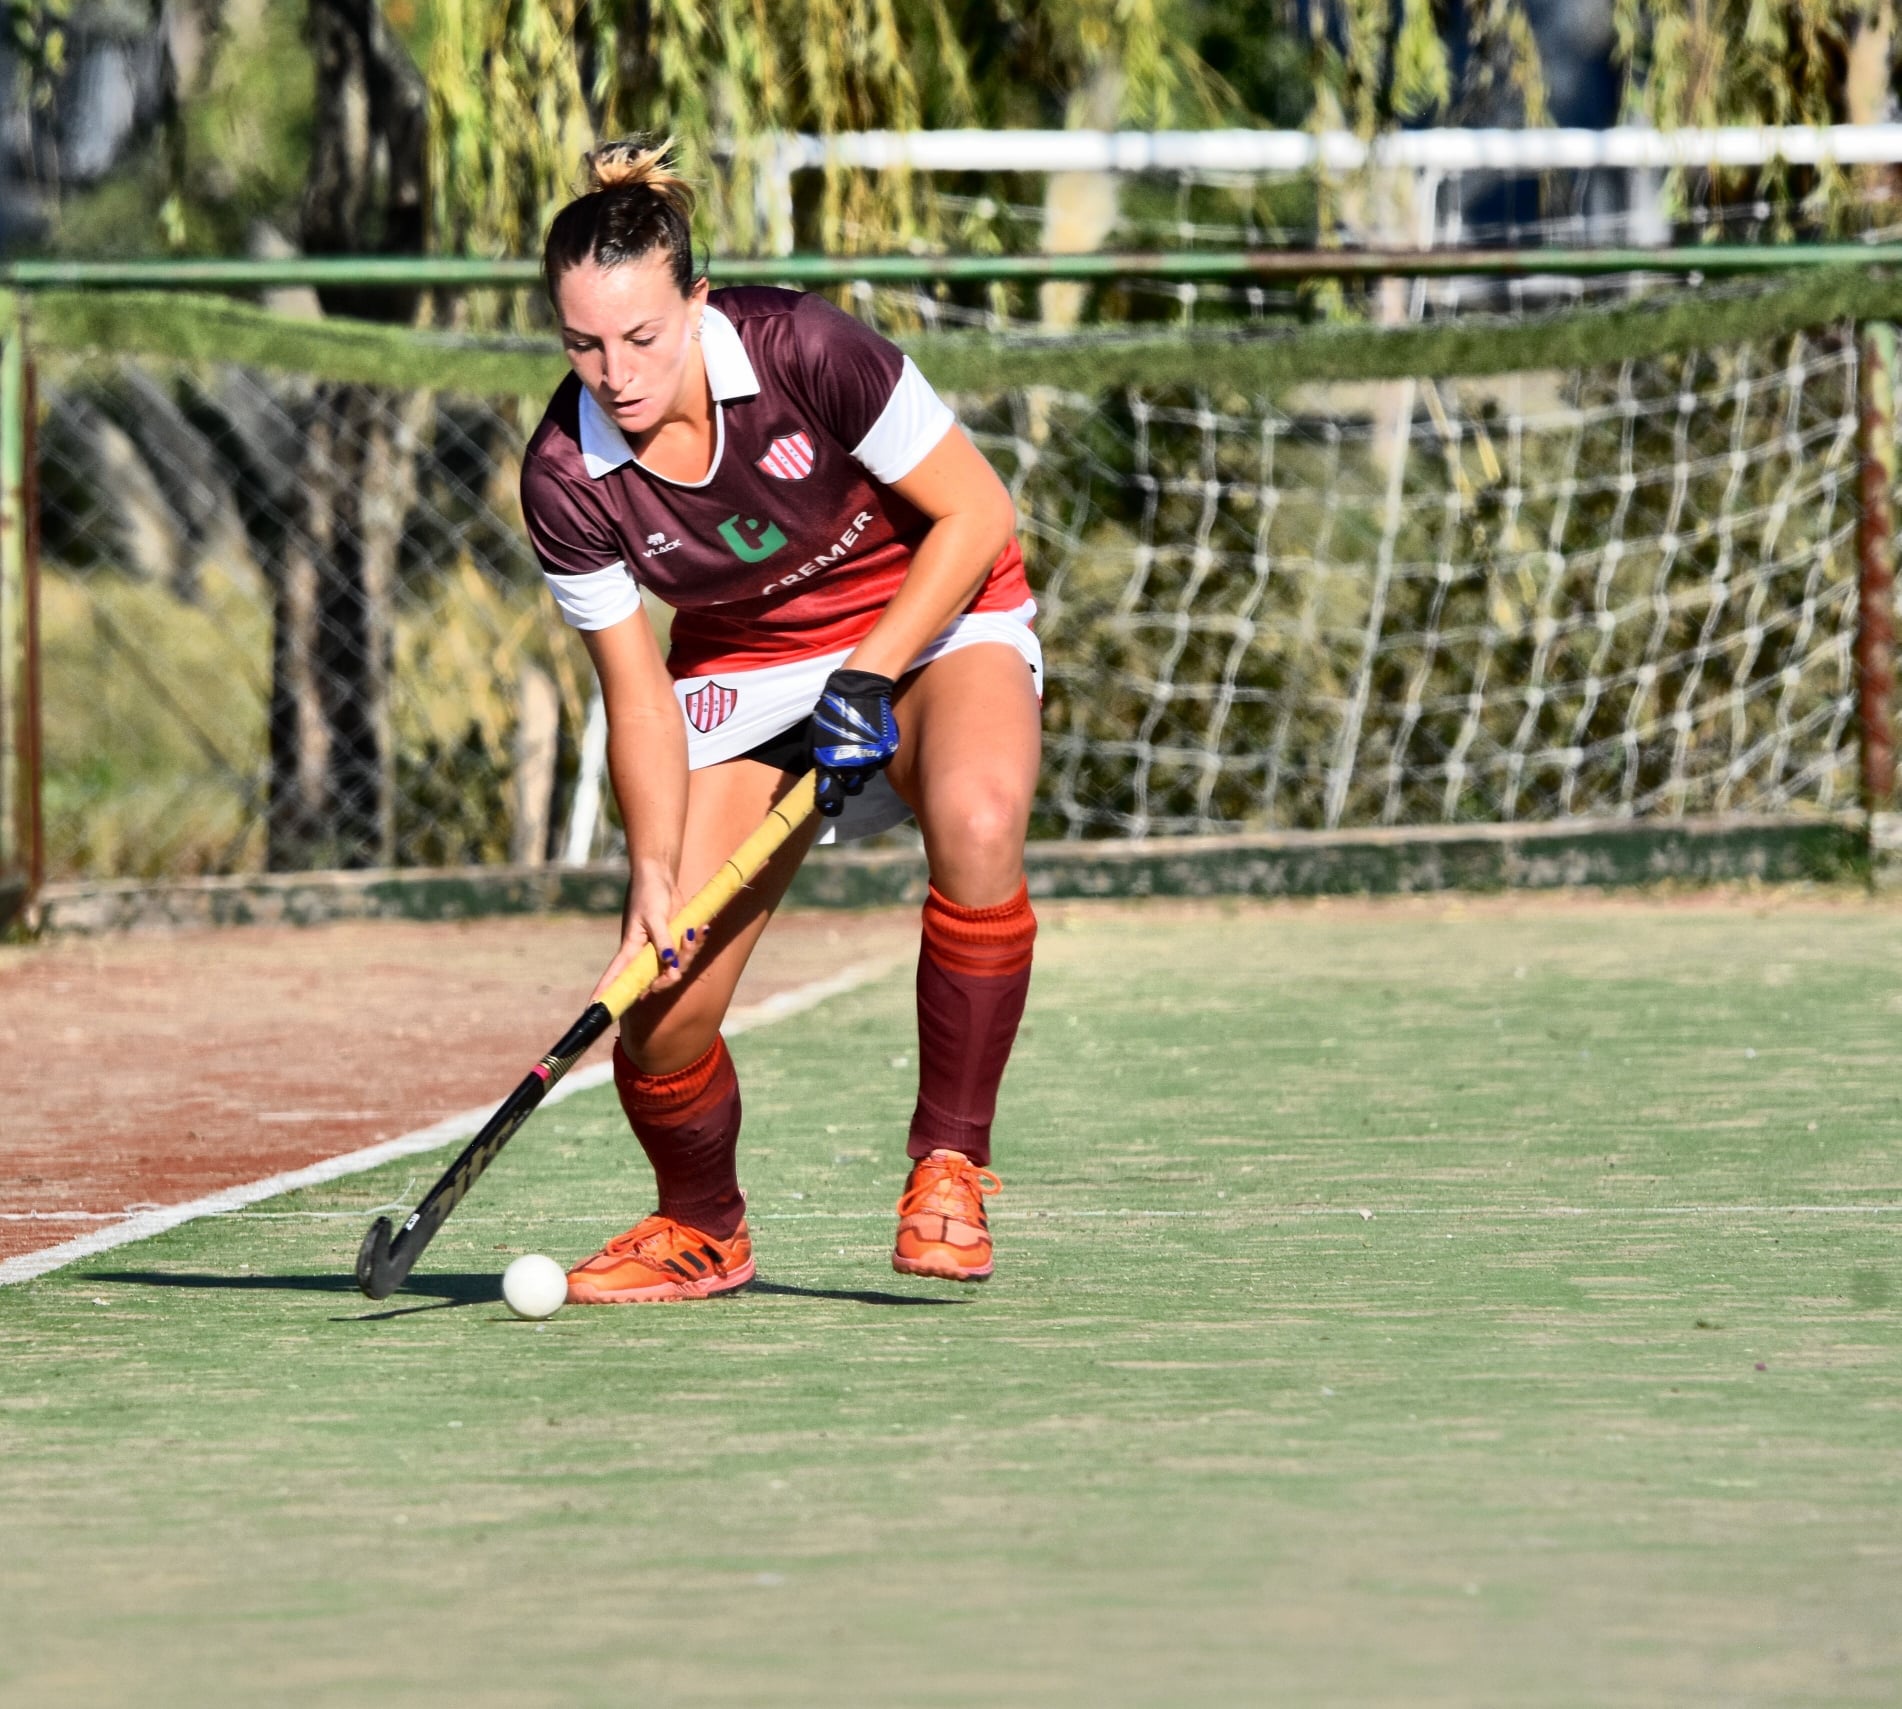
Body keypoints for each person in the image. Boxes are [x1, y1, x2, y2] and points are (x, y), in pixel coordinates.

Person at [519, 138, 1043, 1302]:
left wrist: (869, 673)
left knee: (978, 812)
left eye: (643, 336)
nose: (616, 371)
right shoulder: (563, 475)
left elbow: (974, 512)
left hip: (932, 610)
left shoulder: (804, 345)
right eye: (584, 345)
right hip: (744, 668)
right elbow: (637, 692)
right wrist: (652, 871)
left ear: (696, 303)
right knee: (658, 1014)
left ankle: (950, 1162)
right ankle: (702, 1227)